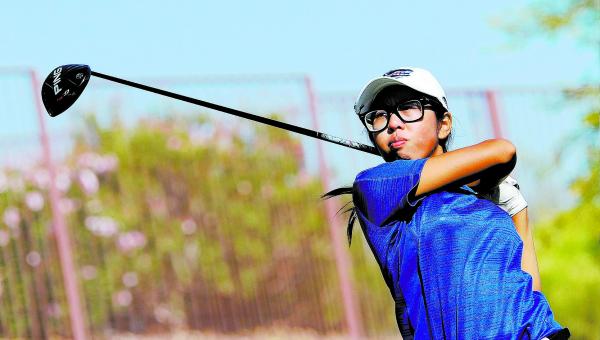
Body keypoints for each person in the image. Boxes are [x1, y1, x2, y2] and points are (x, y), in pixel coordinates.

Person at [325, 68, 569, 339]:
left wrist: (515, 208)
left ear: (444, 124)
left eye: (408, 108)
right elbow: (501, 150)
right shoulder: (375, 185)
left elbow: (528, 289)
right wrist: (479, 177)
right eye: (379, 116)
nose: (393, 123)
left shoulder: (481, 202)